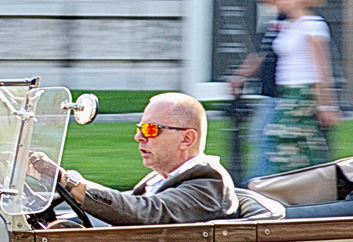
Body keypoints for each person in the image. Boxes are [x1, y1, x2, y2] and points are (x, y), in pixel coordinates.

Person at [30, 92, 239, 226]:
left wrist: (68, 181)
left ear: (186, 138)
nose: (139, 137)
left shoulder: (209, 183)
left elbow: (145, 212)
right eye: (141, 128)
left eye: (151, 129)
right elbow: (127, 205)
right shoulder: (161, 179)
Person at [267, 0, 341, 172]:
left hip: (304, 93)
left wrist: (326, 104)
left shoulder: (313, 25)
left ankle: (311, 184)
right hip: (287, 92)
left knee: (295, 143)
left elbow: (322, 67)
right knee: (288, 144)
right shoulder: (288, 25)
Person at [225, 0, 292, 182]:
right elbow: (259, 56)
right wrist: (238, 77)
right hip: (272, 95)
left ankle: (257, 184)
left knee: (265, 138)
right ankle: (263, 183)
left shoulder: (294, 20)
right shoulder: (273, 23)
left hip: (285, 95)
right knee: (264, 139)